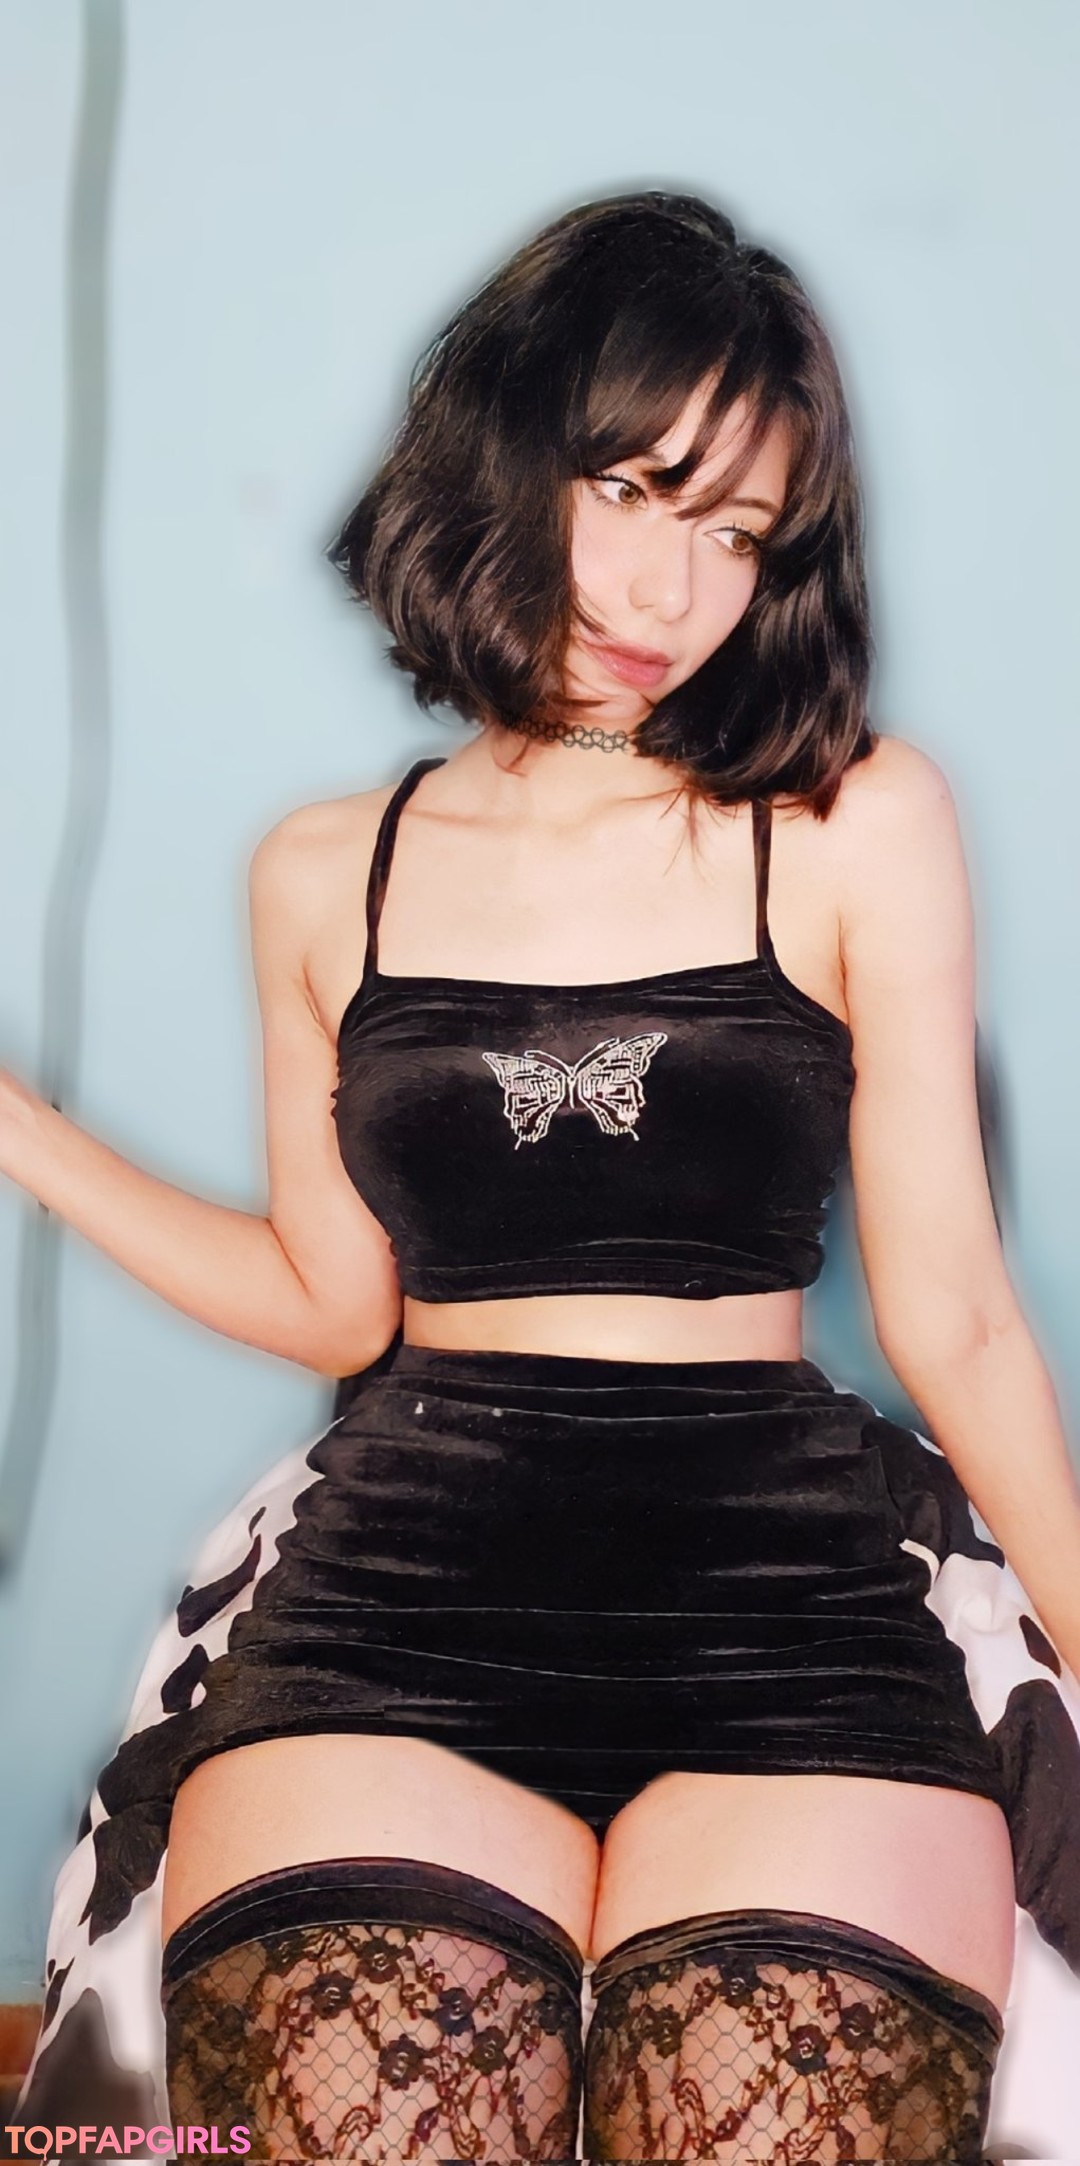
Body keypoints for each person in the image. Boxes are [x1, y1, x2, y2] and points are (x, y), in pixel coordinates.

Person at [5, 188, 1080, 2164]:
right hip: (397, 1598)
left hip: (787, 1601)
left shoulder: (853, 816)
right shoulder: (327, 870)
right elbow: (336, 1299)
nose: (674, 585)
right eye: (632, 488)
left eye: (738, 530)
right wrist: (21, 1129)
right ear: (507, 451)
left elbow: (959, 1319)